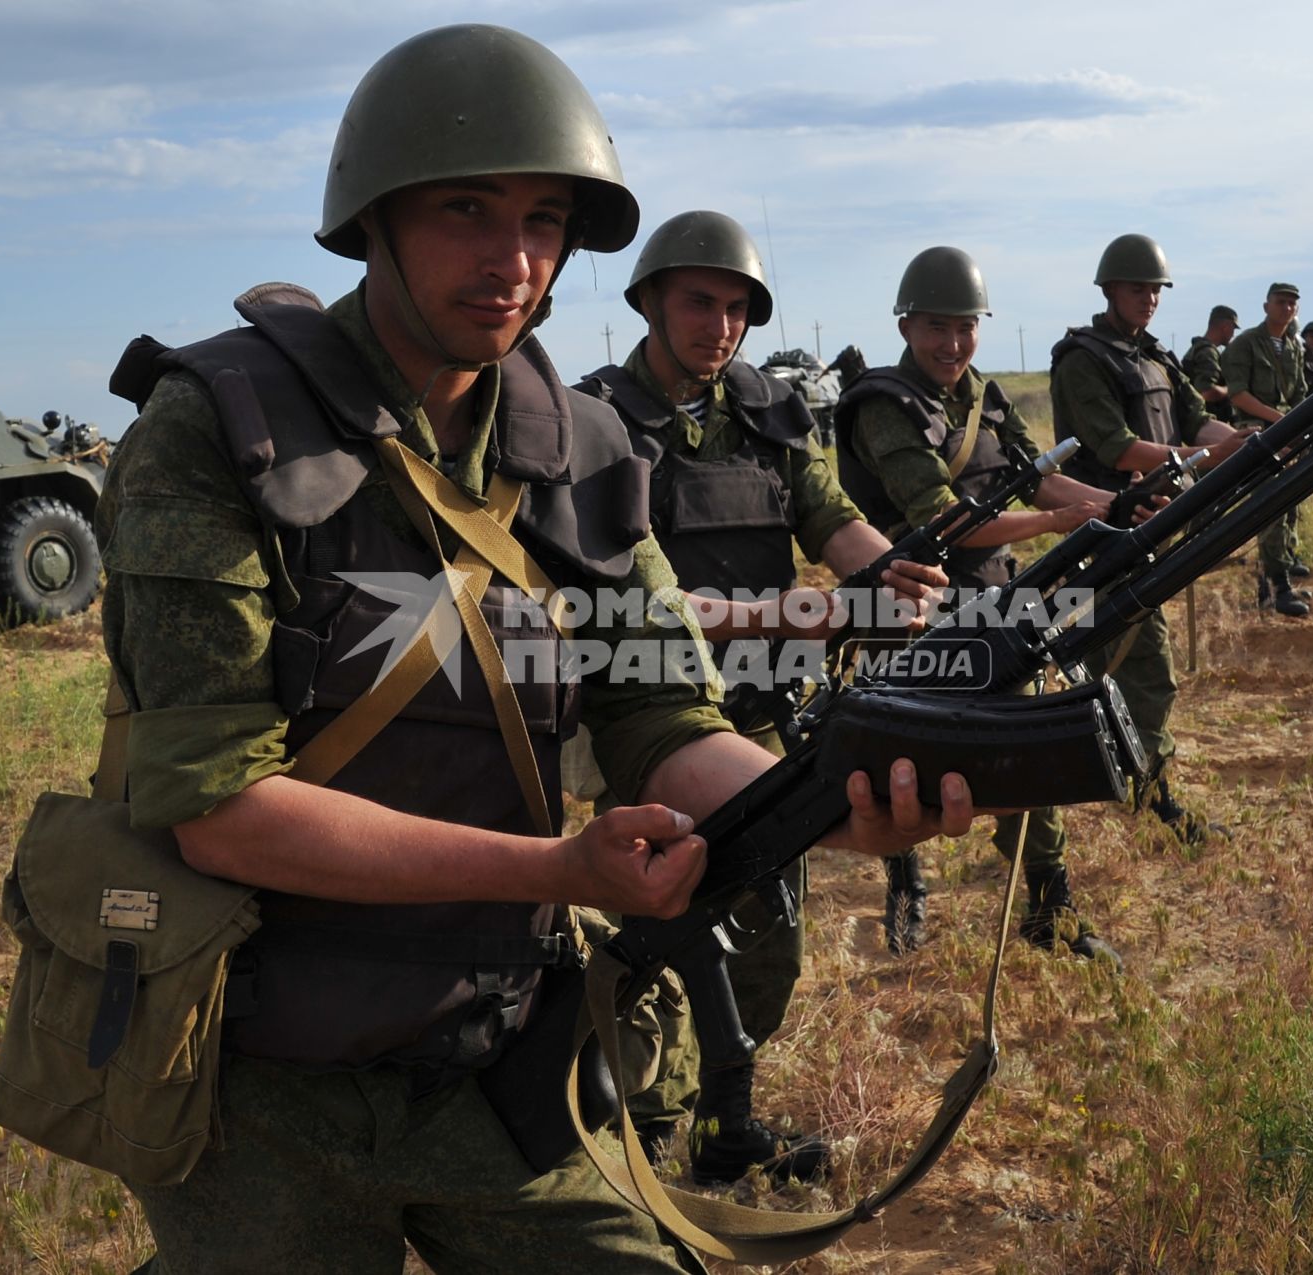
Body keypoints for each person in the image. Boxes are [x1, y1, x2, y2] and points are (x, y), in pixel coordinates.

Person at [93, 25, 971, 1274]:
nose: (513, 261)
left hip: (498, 1056)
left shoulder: (591, 454)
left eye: (545, 220)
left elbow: (664, 723)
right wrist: (559, 866)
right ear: (374, 220)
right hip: (256, 1074)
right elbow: (216, 807)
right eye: (466, 210)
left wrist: (832, 805)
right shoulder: (214, 430)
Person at [570, 208, 946, 1183]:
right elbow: (621, 591)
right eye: (700, 302)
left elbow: (833, 515)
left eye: (738, 308)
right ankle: (641, 1134)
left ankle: (720, 1125)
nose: (721, 325)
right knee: (662, 935)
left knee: (765, 935)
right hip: (650, 716)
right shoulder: (596, 423)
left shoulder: (769, 409)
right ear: (650, 300)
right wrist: (786, 610)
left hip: (768, 713)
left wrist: (892, 575)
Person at [835, 245, 1124, 966]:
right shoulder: (884, 406)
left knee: (1028, 746)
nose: (952, 343)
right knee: (900, 760)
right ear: (906, 326)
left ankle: (1049, 905)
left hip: (995, 600)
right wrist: (1062, 526)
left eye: (965, 327)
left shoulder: (984, 398)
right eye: (937, 326)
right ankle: (906, 884)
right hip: (911, 609)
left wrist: (1116, 506)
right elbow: (946, 518)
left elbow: (1037, 482)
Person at [1043, 234, 1254, 852]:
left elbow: (1196, 421)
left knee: (1117, 669)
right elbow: (1117, 448)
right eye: (1138, 288)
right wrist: (1211, 457)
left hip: (1153, 532)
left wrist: (1252, 438)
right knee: (1144, 672)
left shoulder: (1156, 357)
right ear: (1109, 290)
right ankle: (1150, 793)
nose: (1149, 299)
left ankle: (1133, 779)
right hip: (1109, 534)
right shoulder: (1084, 359)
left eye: (1156, 289)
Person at [1223, 282, 1312, 617]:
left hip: (1289, 432)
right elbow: (1238, 395)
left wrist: (1304, 425)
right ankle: (1281, 588)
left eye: (1292, 303)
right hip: (1257, 435)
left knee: (1288, 508)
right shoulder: (1246, 344)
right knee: (1271, 509)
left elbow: (1301, 393)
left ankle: (1273, 580)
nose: (1287, 308)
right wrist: (1282, 421)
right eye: (1281, 302)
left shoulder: (1293, 346)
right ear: (1266, 306)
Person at [1180, 305, 1238, 422]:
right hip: (1207, 423)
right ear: (1226, 327)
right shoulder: (1208, 352)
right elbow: (1207, 392)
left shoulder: (1199, 349)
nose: (1233, 334)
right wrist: (1233, 389)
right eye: (1233, 328)